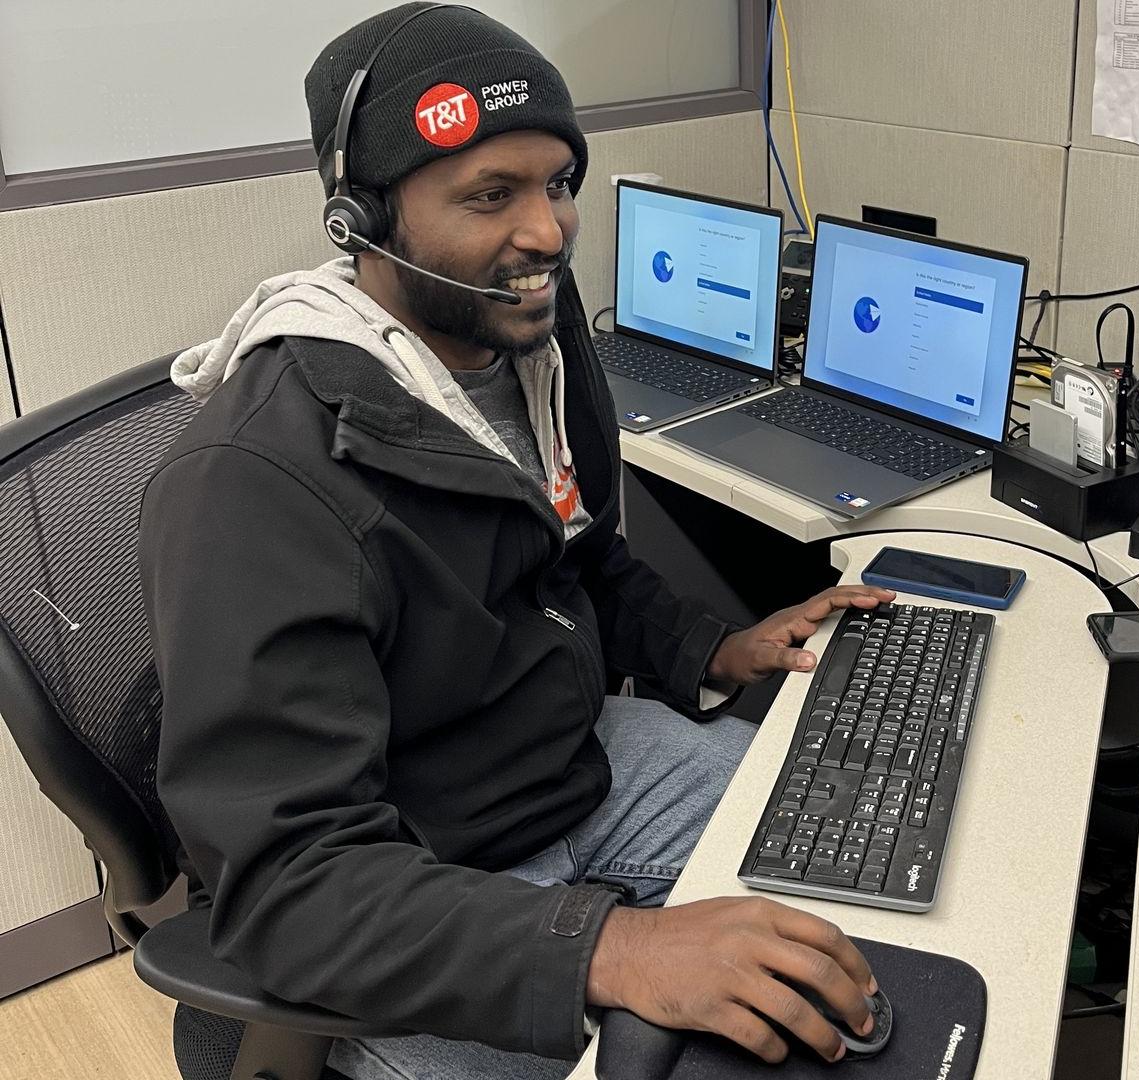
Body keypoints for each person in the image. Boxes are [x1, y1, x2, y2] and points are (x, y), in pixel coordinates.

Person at [139, 5, 894, 1077]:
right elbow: (293, 880)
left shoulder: (525, 345)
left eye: (559, 184)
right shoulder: (253, 479)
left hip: (567, 764)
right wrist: (612, 948)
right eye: (491, 195)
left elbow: (575, 552)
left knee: (856, 867)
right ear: (362, 218)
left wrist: (714, 651)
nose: (547, 232)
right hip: (415, 876)